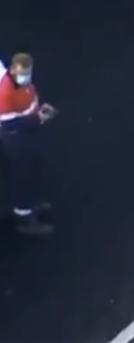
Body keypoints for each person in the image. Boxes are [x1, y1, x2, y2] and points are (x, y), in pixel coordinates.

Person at [0, 53, 57, 236]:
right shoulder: (5, 92)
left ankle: (32, 205)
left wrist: (38, 111)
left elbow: (28, 98)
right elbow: (8, 123)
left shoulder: (20, 82)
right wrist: (38, 119)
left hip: (27, 133)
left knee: (33, 168)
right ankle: (24, 218)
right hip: (15, 139)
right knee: (22, 175)